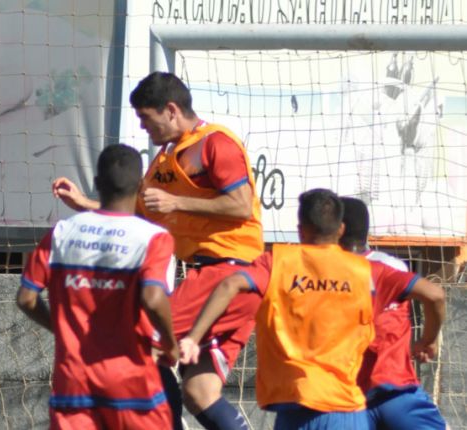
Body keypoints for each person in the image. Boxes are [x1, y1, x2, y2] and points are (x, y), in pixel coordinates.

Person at [53, 71, 263, 430]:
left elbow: (242, 206)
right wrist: (85, 202)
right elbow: (141, 212)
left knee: (138, 342)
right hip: (214, 276)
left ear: (170, 110)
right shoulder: (167, 157)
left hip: (228, 270)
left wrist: (176, 202)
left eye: (146, 119)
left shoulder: (216, 143)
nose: (143, 127)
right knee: (200, 392)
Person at [179, 188, 430, 429]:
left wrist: (192, 337)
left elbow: (230, 284)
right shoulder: (366, 272)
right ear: (339, 229)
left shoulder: (279, 263)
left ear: (300, 231)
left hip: (297, 402)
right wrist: (427, 339)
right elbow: (434, 294)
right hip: (348, 407)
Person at [18, 144, 179, 429]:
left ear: (95, 184)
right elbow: (153, 299)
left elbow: (26, 298)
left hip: (74, 387)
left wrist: (60, 327)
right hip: (134, 387)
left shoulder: (61, 233)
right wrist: (170, 345)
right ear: (141, 186)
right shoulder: (153, 237)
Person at [339, 197, 447, 430]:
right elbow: (435, 296)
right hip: (396, 391)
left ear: (337, 229)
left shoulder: (321, 274)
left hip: (347, 400)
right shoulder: (391, 267)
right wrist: (428, 341)